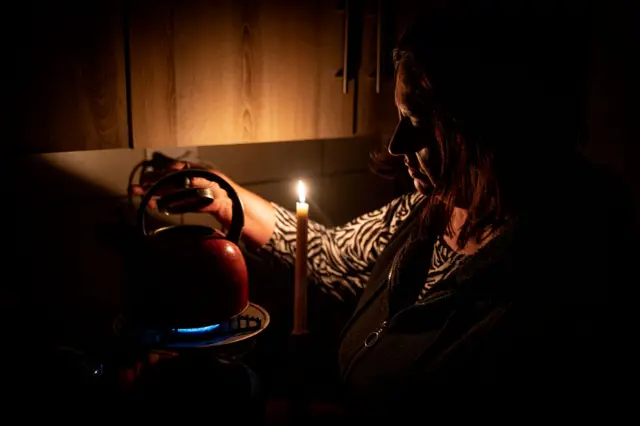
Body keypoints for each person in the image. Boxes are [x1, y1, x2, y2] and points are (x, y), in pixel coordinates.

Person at [133, 0, 634, 420]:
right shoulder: (432, 212)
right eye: (400, 115)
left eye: (419, 120)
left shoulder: (568, 272)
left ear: (493, 125)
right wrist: (226, 199)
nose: (397, 144)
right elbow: (329, 256)